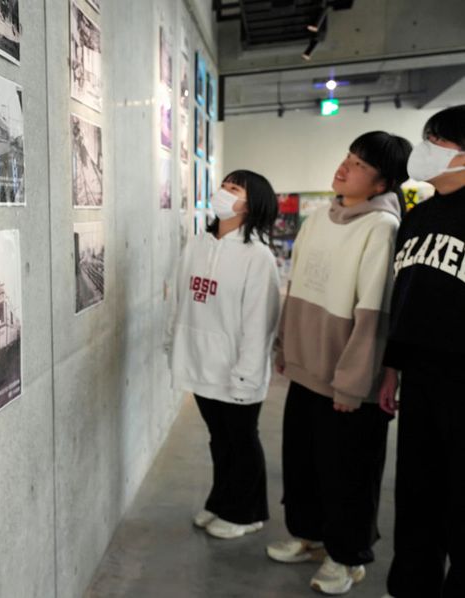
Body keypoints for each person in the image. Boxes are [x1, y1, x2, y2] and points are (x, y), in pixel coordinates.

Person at [269, 131, 412, 595]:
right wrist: (284, 348)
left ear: (382, 184)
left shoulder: (381, 229)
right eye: (347, 157)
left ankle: (346, 557)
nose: (344, 167)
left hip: (347, 382)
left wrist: (352, 385)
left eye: (359, 164)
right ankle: (309, 536)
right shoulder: (318, 217)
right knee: (304, 463)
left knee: (348, 474)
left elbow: (375, 313)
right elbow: (296, 291)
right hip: (308, 372)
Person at [378, 105, 465, 598]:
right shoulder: (417, 215)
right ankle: (412, 585)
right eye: (426, 137)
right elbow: (403, 298)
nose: (425, 148)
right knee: (417, 495)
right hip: (422, 379)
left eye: (439, 141)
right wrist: (392, 368)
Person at [169, 170, 280, 540]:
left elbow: (259, 322)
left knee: (241, 440)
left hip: (237, 370)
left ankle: (246, 512)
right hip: (202, 364)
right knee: (220, 439)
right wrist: (176, 344)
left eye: (234, 189)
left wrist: (246, 373)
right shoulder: (199, 243)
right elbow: (182, 298)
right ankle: (221, 501)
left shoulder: (258, 256)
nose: (223, 193)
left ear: (252, 206)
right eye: (225, 185)